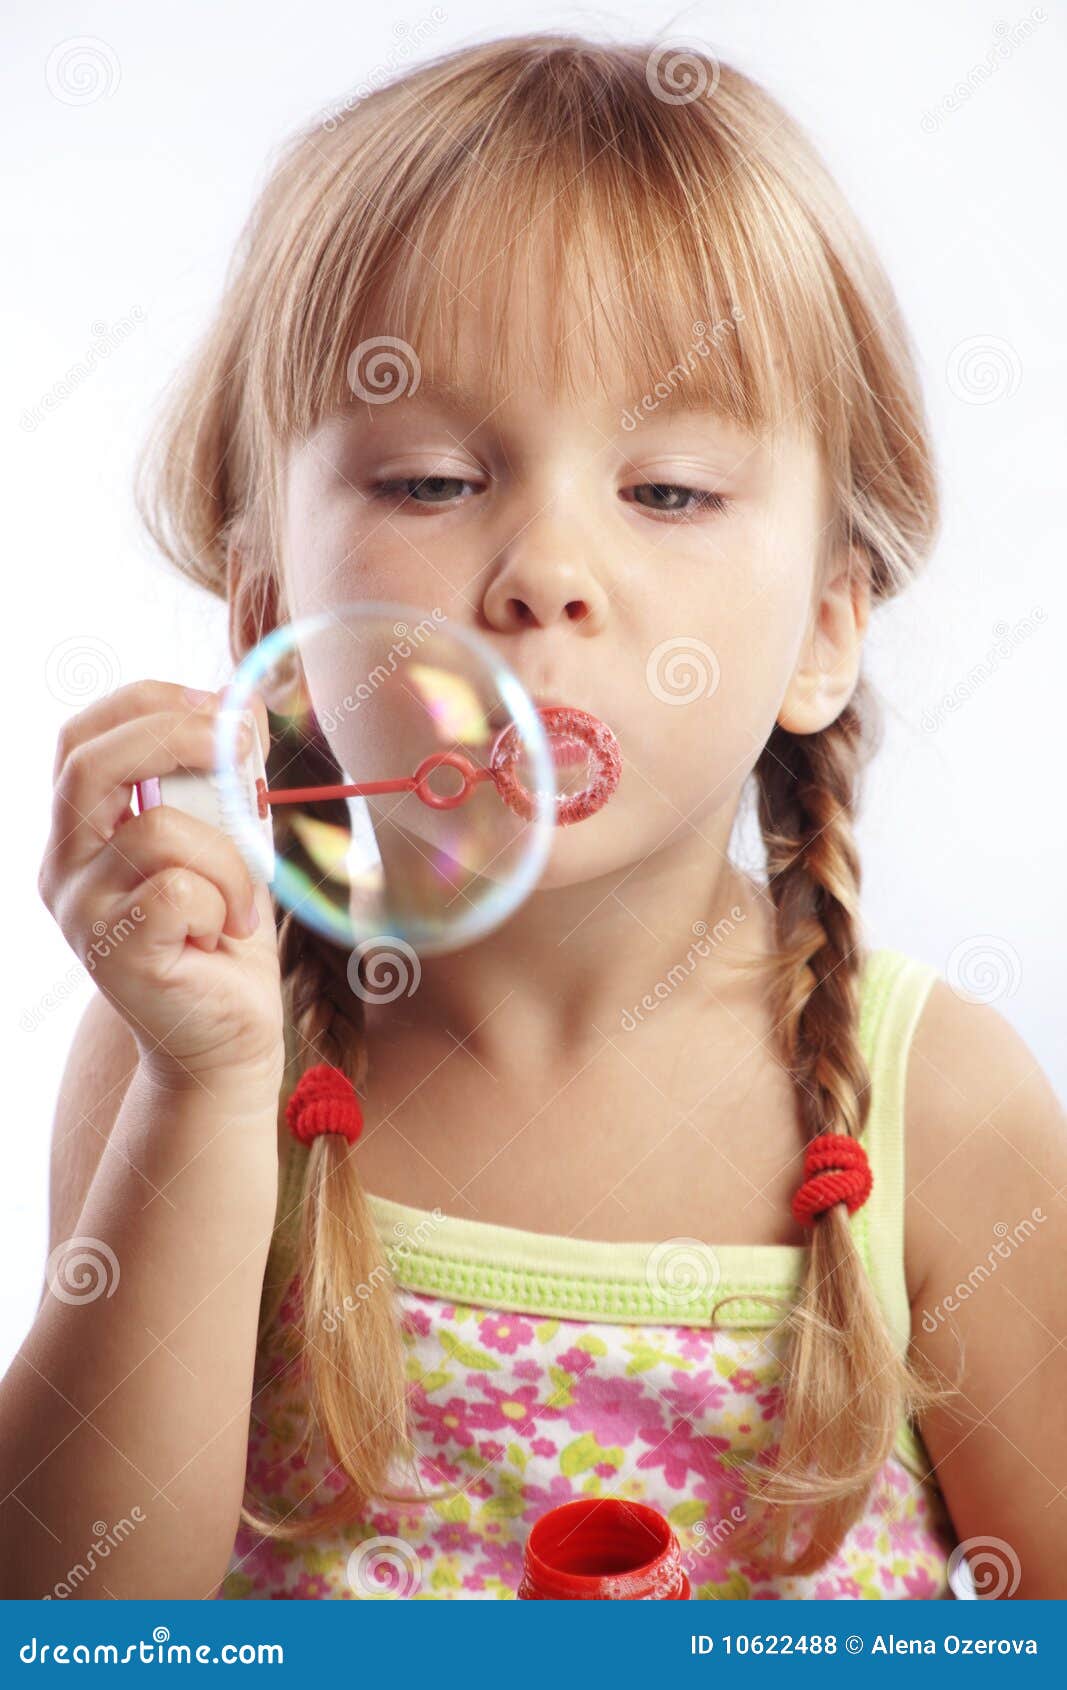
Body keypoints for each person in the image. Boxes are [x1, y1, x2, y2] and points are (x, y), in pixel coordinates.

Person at [6, 33, 1065, 1600]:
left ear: (828, 632)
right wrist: (205, 1089)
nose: (545, 573)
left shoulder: (937, 1110)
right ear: (267, 619)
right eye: (432, 480)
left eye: (672, 493)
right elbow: (73, 1624)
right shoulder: (202, 1055)